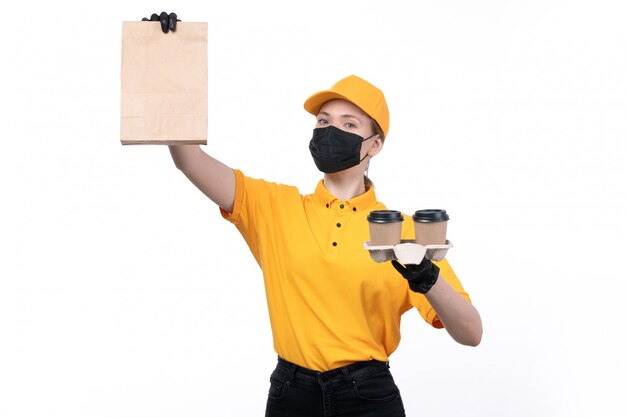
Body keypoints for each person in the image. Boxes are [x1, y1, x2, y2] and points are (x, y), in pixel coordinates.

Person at [142, 12, 483, 417]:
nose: (329, 130)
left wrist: (426, 277)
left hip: (367, 397)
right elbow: (189, 160)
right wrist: (169, 63)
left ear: (374, 146)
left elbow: (471, 333)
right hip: (291, 395)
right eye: (323, 121)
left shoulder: (403, 230)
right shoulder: (273, 205)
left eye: (348, 123)